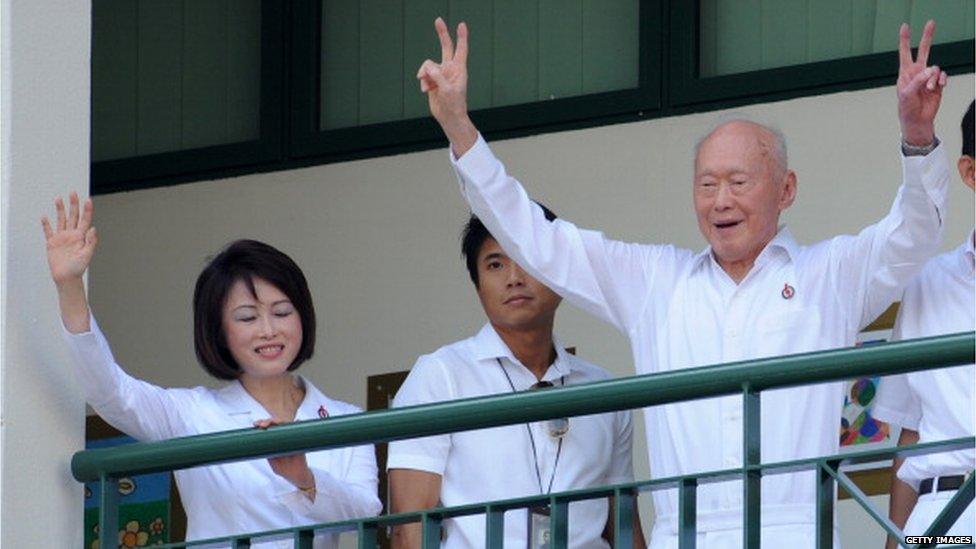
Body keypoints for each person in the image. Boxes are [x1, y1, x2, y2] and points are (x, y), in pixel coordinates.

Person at [415, 16, 951, 548]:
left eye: (739, 182)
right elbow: (539, 240)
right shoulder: (656, 283)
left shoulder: (830, 274)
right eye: (706, 184)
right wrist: (460, 128)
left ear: (785, 189)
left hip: (796, 535)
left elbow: (915, 233)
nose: (721, 200)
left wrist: (918, 137)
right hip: (685, 535)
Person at [42, 193, 382, 548]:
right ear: (220, 332)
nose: (268, 330)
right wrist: (70, 287)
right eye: (248, 317)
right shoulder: (194, 415)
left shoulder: (345, 418)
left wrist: (304, 477)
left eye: (282, 312)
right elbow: (111, 394)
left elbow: (365, 513)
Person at [387, 211, 644, 548]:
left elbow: (624, 526)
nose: (513, 278)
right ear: (478, 285)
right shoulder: (441, 376)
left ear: (561, 274)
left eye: (526, 257)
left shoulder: (603, 391)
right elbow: (410, 528)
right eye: (495, 264)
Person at [874, 100, 975, 548]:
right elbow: (910, 428)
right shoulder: (928, 282)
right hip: (945, 526)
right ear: (971, 173)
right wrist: (897, 542)